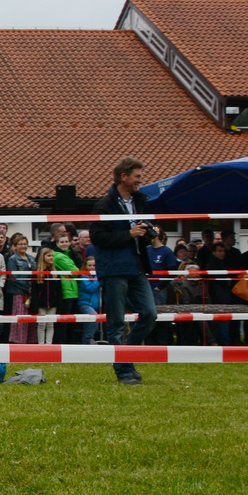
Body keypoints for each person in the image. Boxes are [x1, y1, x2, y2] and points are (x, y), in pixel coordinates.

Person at [91, 157, 158, 383]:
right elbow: (97, 238)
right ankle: (124, 371)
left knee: (150, 314)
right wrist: (128, 235)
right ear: (124, 177)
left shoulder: (140, 201)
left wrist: (149, 233)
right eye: (137, 176)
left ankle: (125, 358)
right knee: (116, 323)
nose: (141, 180)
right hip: (114, 270)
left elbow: (139, 236)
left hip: (137, 267)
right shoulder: (103, 205)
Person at [50, 228, 82, 343]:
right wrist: (74, 274)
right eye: (62, 242)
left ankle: (68, 343)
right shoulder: (59, 256)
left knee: (70, 321)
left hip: (72, 290)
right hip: (66, 291)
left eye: (66, 242)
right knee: (64, 321)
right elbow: (76, 271)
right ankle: (62, 343)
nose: (65, 244)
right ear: (57, 243)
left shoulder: (68, 254)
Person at [3, 232, 34, 344]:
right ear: (15, 246)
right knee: (20, 319)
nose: (23, 246)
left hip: (31, 293)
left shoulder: (31, 258)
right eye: (20, 244)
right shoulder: (12, 259)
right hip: (19, 292)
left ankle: (30, 341)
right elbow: (13, 277)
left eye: (25, 244)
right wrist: (27, 288)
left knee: (31, 319)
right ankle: (18, 341)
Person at [30, 245, 61, 344]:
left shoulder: (56, 272)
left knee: (50, 324)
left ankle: (49, 345)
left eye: (52, 256)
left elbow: (59, 290)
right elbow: (34, 290)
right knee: (41, 325)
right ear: (43, 257)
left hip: (53, 303)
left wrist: (59, 302)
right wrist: (34, 304)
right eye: (48, 255)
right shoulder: (37, 273)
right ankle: (41, 346)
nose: (51, 258)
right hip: (41, 303)